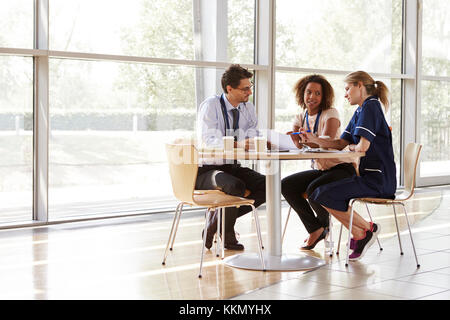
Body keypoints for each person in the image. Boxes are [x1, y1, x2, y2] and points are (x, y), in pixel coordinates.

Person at [301, 71, 396, 261]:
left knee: (322, 194)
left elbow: (362, 147)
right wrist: (314, 139)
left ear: (359, 85)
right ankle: (364, 231)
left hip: (378, 180)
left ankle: (365, 231)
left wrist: (353, 146)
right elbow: (341, 143)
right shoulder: (361, 109)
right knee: (318, 193)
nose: (345, 94)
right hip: (368, 177)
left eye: (347, 89)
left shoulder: (371, 107)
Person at [281, 75, 357, 250]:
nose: (312, 97)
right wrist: (293, 138)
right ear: (302, 93)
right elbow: (297, 143)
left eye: (317, 93)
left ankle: (322, 227)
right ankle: (316, 228)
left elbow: (327, 140)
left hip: (342, 168)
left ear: (324, 97)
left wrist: (308, 139)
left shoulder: (331, 113)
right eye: (309, 92)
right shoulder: (300, 116)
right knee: (285, 185)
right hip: (322, 170)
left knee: (313, 189)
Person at [196, 64, 266, 251]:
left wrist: (257, 141)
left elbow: (253, 133)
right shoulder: (210, 106)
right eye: (245, 88)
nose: (249, 92)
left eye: (250, 87)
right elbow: (208, 140)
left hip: (231, 166)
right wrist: (239, 144)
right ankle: (227, 234)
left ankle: (217, 222)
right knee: (235, 185)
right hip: (206, 170)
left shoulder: (247, 108)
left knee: (268, 186)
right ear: (229, 89)